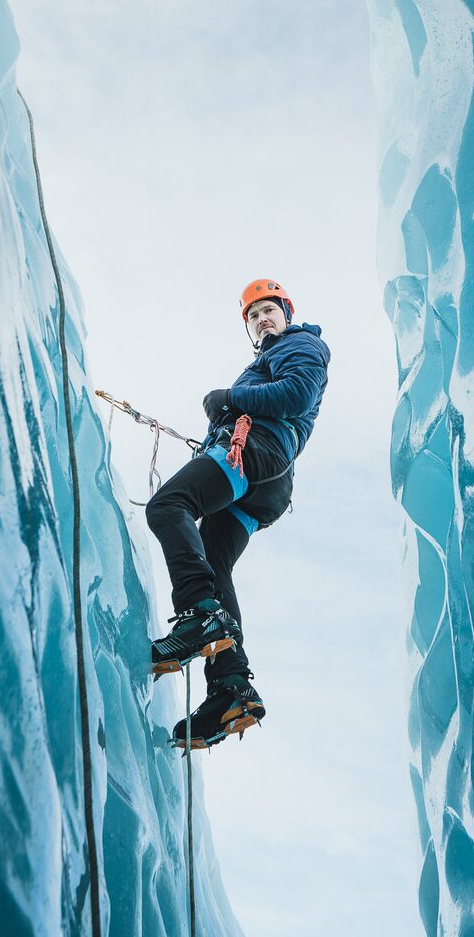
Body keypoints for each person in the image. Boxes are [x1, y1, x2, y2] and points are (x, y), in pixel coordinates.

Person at [144, 279, 331, 748]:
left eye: (269, 310)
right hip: (265, 481)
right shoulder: (267, 357)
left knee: (169, 505)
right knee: (214, 559)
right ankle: (230, 686)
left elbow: (296, 395)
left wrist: (229, 398)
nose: (262, 319)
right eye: (253, 315)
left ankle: (200, 612)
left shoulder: (301, 344)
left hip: (255, 451)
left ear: (287, 313)